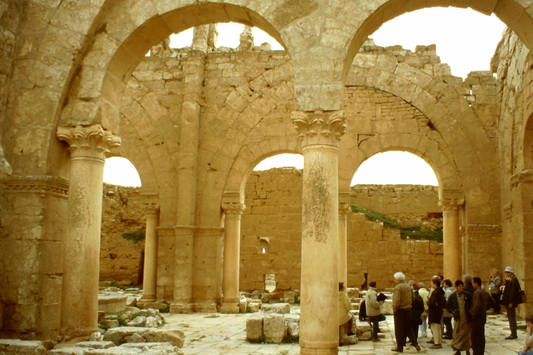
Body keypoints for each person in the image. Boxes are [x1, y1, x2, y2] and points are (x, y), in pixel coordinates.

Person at [392, 272, 421, 352]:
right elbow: (413, 297)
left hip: (400, 310)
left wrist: (395, 307)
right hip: (408, 310)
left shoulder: (398, 287)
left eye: (395, 279)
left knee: (399, 329)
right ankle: (415, 344)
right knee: (408, 327)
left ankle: (400, 346)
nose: (394, 281)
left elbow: (397, 299)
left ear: (398, 280)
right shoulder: (408, 286)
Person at [446, 280, 472, 355]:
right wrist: (453, 312)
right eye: (460, 286)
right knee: (457, 334)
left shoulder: (467, 295)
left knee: (465, 335)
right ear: (456, 287)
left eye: (462, 286)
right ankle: (458, 350)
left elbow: (472, 304)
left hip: (466, 318)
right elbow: (448, 306)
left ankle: (467, 350)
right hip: (458, 318)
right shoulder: (453, 296)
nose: (461, 288)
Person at [502, 266, 522, 340]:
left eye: (508, 272)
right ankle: (513, 333)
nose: (506, 273)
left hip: (511, 302)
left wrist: (511, 301)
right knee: (511, 317)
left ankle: (513, 333)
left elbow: (512, 292)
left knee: (511, 317)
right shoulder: (510, 280)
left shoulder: (513, 280)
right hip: (509, 302)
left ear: (511, 272)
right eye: (506, 272)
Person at [470, 277, 490, 355]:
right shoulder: (485, 292)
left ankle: (476, 352)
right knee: (481, 336)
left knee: (474, 337)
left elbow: (477, 305)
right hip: (483, 316)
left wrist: (473, 314)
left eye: (473, 283)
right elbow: (492, 302)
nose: (472, 284)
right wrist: (484, 308)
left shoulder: (477, 293)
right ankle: (481, 352)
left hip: (477, 317)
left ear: (476, 283)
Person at [427, 276, 446, 349]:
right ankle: (438, 341)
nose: (431, 284)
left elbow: (432, 303)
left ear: (435, 284)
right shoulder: (441, 291)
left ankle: (437, 343)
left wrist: (428, 302)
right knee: (438, 327)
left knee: (435, 328)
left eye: (432, 283)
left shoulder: (435, 292)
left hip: (434, 312)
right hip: (439, 311)